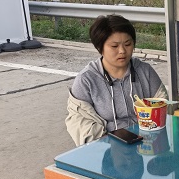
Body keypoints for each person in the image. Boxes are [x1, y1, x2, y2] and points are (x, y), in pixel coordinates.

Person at [66, 14, 168, 146]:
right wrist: (107, 142)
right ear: (100, 47)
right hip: (106, 146)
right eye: (114, 46)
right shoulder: (86, 80)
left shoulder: (145, 71)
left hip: (147, 144)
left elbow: (163, 104)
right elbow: (79, 121)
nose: (122, 51)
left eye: (128, 44)